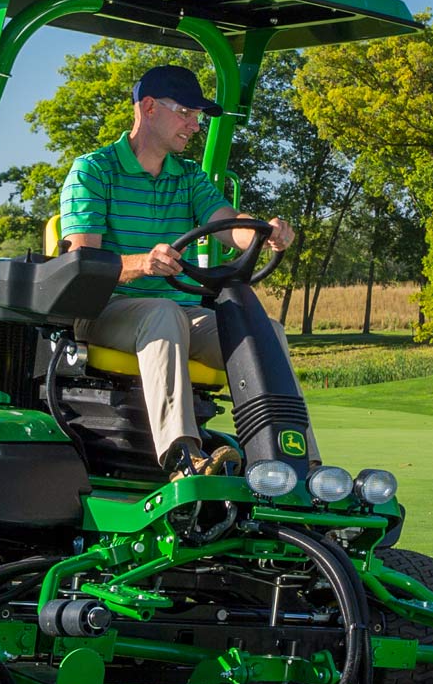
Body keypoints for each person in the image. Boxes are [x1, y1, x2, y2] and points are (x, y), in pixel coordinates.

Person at [58, 64, 295, 480]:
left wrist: (263, 232)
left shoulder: (187, 177)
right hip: (106, 308)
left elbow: (228, 222)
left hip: (178, 313)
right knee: (162, 313)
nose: (194, 124)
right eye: (186, 111)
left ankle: (289, 460)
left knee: (264, 330)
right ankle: (184, 458)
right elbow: (81, 264)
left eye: (198, 117)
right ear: (148, 107)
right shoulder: (94, 171)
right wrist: (141, 263)